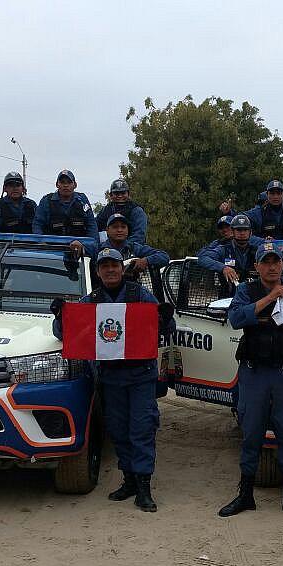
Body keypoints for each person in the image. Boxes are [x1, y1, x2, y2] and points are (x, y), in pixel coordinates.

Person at [53, 248, 173, 512]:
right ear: (98, 272)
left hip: (141, 376)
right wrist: (60, 316)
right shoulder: (91, 301)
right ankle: (128, 479)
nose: (110, 270)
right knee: (118, 430)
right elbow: (64, 332)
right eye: (104, 266)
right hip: (111, 377)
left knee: (142, 428)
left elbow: (166, 326)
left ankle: (143, 487)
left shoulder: (140, 295)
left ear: (122, 268)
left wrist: (164, 318)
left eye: (114, 265)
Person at [217, 241, 283, 518]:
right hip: (254, 373)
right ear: (257, 266)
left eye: (276, 262)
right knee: (251, 434)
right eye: (266, 262)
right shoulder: (246, 291)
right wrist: (271, 297)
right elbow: (236, 318)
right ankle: (245, 495)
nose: (272, 267)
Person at [77, 213, 170, 285]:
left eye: (123, 227)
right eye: (115, 227)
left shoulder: (135, 248)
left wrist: (146, 261)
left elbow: (164, 256)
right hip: (102, 295)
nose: (119, 230)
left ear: (128, 230)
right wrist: (77, 245)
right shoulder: (97, 248)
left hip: (131, 296)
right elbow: (78, 248)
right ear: (107, 230)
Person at [196, 214, 264, 288]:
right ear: (232, 231)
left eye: (245, 230)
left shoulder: (257, 251)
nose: (242, 233)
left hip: (253, 294)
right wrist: (223, 268)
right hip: (228, 294)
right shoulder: (223, 249)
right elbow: (202, 258)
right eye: (238, 230)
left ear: (250, 232)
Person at [33, 169, 97, 238]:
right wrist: (41, 242)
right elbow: (37, 224)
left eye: (69, 182)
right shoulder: (46, 201)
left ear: (75, 185)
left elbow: (91, 225)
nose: (66, 185)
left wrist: (91, 243)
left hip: (79, 243)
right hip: (52, 243)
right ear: (57, 184)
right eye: (62, 182)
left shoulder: (82, 200)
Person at [96, 178, 148, 245]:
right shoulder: (105, 210)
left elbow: (139, 235)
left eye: (123, 193)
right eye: (116, 193)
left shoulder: (137, 210)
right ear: (111, 195)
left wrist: (124, 247)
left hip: (133, 246)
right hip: (108, 246)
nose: (120, 196)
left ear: (128, 194)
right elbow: (95, 227)